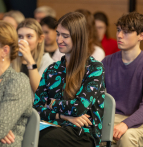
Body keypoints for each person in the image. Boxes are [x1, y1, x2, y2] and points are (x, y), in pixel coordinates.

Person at [33, 12, 105, 147]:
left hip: (83, 133)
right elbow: (36, 107)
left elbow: (79, 107)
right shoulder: (52, 69)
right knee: (23, 132)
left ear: (79, 38)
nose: (59, 40)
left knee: (38, 139)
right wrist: (63, 116)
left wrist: (49, 102)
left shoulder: (94, 68)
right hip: (53, 125)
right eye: (58, 34)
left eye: (65, 36)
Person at [102, 12, 143, 147]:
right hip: (113, 118)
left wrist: (125, 124)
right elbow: (96, 96)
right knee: (85, 131)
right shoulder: (107, 61)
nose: (119, 35)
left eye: (126, 32)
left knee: (127, 137)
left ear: (142, 35)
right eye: (118, 30)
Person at [12, 18, 54, 92]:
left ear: (40, 39)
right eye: (20, 36)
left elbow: (39, 91)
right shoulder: (12, 59)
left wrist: (29, 59)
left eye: (29, 36)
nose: (23, 40)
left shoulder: (47, 62)